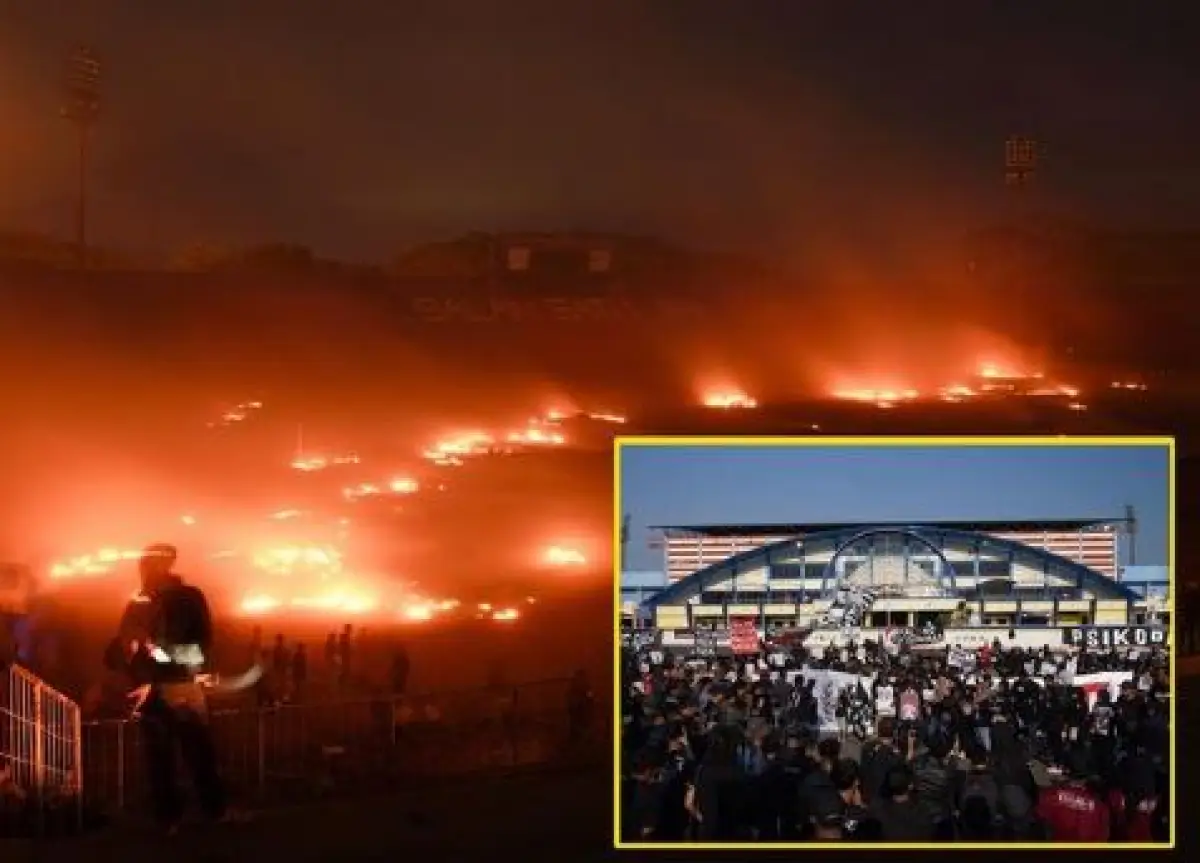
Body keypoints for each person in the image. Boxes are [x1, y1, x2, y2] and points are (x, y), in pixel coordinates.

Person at [107, 543, 240, 835]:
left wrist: (154, 656)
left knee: (189, 756)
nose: (143, 571)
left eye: (147, 565)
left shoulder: (184, 599)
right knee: (171, 760)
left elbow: (199, 650)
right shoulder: (143, 603)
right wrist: (138, 663)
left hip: (175, 691)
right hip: (166, 692)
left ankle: (192, 815)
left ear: (163, 566)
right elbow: (122, 649)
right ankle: (189, 816)